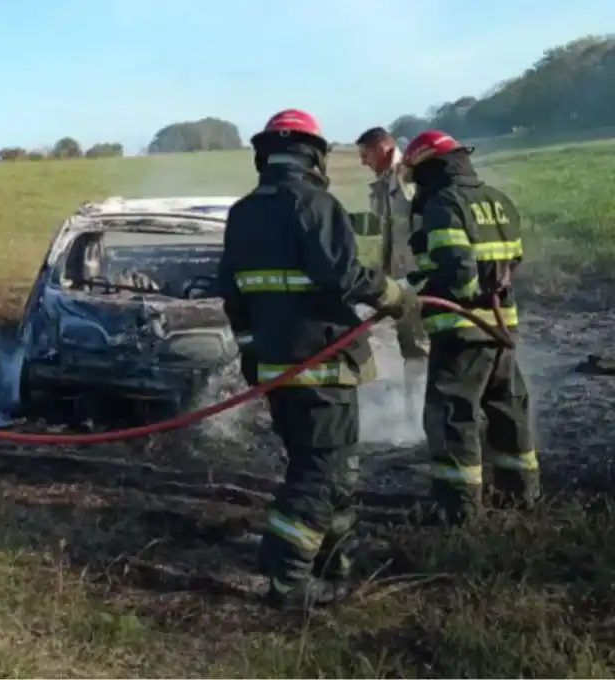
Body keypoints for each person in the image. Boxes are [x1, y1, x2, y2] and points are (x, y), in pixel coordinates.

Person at [217, 109, 420, 609]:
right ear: (313, 154)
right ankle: (288, 576)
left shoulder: (242, 213)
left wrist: (250, 354)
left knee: (331, 466)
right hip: (321, 364)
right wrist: (396, 296)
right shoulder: (315, 203)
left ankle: (335, 560)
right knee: (321, 473)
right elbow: (343, 275)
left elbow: (233, 294)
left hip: (274, 365)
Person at [400, 129, 540, 525]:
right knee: (508, 409)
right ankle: (522, 493)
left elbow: (459, 272)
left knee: (450, 414)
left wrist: (445, 290)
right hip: (501, 328)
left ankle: (459, 509)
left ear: (429, 166)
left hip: (461, 329)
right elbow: (512, 260)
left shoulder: (445, 202)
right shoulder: (498, 200)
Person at [355, 126, 429, 416]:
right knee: (408, 342)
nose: (362, 162)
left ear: (383, 149)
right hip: (398, 279)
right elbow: (381, 226)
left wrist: (421, 275)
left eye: (365, 154)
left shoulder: (410, 178)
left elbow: (425, 224)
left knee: (419, 344)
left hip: (418, 278)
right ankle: (415, 406)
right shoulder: (385, 183)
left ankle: (426, 409)